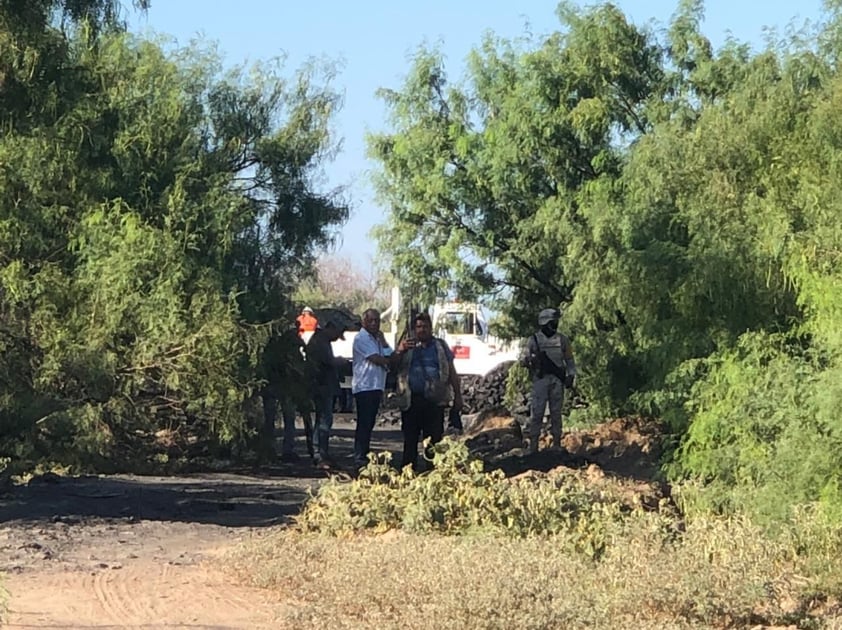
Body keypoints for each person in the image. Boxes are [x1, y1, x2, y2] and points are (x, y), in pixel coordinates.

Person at [393, 312, 464, 471]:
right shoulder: (407, 346)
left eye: (425, 326)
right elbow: (392, 366)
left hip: (435, 401)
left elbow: (452, 371)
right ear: (414, 329)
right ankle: (407, 474)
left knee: (433, 441)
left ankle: (432, 474)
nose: (422, 330)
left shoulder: (440, 346)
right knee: (410, 440)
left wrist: (458, 396)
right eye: (418, 327)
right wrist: (400, 350)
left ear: (431, 328)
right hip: (411, 400)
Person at [522, 308, 577, 454]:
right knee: (537, 412)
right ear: (546, 322)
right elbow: (524, 360)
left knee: (556, 413)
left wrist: (570, 376)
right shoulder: (533, 340)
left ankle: (557, 443)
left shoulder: (562, 339)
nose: (556, 324)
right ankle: (533, 445)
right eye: (553, 321)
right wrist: (532, 361)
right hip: (540, 380)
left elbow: (570, 361)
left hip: (557, 380)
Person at [351, 308, 394, 469]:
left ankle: (364, 453)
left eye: (377, 320)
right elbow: (378, 359)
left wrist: (383, 342)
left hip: (376, 385)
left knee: (369, 423)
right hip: (365, 386)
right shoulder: (362, 338)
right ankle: (359, 456)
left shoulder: (376, 339)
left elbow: (388, 353)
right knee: (364, 422)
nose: (375, 323)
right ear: (364, 322)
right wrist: (390, 360)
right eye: (371, 320)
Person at [260, 322, 309, 462]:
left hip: (272, 387)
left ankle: (270, 449)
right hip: (284, 388)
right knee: (287, 419)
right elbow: (297, 369)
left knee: (270, 419)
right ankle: (286, 450)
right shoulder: (289, 351)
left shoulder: (271, 348)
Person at [305, 316, 349, 468]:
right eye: (338, 333)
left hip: (324, 386)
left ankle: (322, 453)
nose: (338, 338)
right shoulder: (320, 341)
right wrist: (341, 361)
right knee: (323, 420)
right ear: (331, 328)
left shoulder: (322, 341)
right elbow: (328, 361)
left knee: (324, 420)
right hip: (321, 386)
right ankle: (319, 454)